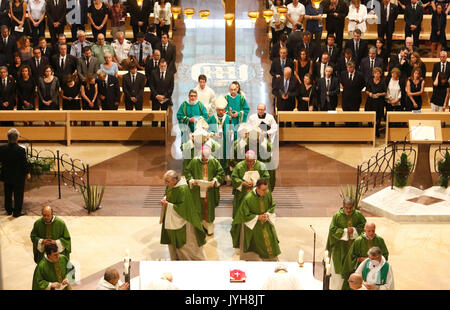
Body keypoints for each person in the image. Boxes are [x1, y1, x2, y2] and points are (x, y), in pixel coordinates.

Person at [160, 170, 207, 261]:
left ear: (174, 180)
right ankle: (176, 258)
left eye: (167, 181)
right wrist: (165, 199)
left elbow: (183, 207)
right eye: (165, 181)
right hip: (172, 218)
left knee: (187, 245)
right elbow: (168, 195)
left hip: (184, 220)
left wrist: (168, 205)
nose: (165, 183)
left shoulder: (183, 189)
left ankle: (188, 261)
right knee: (173, 241)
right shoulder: (171, 186)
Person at [231, 179, 280, 261]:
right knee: (256, 246)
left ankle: (272, 260)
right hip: (254, 225)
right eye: (263, 190)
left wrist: (267, 214)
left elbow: (272, 204)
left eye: (266, 189)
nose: (265, 192)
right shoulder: (248, 198)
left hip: (266, 222)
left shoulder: (267, 193)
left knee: (270, 241)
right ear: (257, 188)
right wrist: (257, 217)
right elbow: (244, 214)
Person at [325, 196, 366, 290]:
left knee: (352, 273)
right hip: (339, 249)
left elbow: (364, 228)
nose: (348, 210)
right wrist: (345, 231)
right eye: (346, 207)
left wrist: (354, 230)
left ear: (353, 206)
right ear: (343, 206)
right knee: (337, 276)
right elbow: (332, 230)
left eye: (350, 208)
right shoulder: (337, 216)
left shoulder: (358, 215)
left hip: (353, 249)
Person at [184, 146, 225, 236]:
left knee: (209, 209)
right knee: (198, 207)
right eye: (203, 156)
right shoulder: (194, 161)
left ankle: (209, 228)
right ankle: (199, 227)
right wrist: (191, 180)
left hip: (209, 190)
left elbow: (221, 173)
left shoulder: (214, 161)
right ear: (200, 154)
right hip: (197, 189)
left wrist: (214, 180)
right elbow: (187, 172)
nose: (205, 159)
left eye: (207, 157)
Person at [342, 222, 389, 289]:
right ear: (365, 230)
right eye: (369, 231)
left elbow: (385, 255)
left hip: (377, 270)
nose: (371, 233)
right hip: (362, 269)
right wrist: (362, 259)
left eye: (373, 230)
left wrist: (378, 260)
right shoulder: (358, 241)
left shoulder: (379, 240)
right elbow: (351, 257)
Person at [231, 150, 270, 218]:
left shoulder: (261, 165)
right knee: (242, 214)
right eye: (247, 161)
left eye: (251, 161)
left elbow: (266, 177)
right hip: (242, 194)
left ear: (255, 158)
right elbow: (234, 178)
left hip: (257, 195)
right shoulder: (239, 166)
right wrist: (242, 183)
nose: (249, 163)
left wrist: (255, 182)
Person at [0, 128, 30, 217]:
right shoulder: (21, 150)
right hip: (18, 176)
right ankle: (17, 212)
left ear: (7, 138)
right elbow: (24, 163)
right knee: (18, 194)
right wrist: (27, 173)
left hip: (6, 175)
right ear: (17, 138)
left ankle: (9, 210)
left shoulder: (2, 148)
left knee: (7, 193)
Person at [208, 97, 232, 174]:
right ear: (216, 110)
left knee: (225, 157)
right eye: (219, 110)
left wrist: (231, 131)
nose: (221, 111)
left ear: (224, 110)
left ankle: (225, 175)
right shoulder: (212, 118)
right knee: (216, 157)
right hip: (215, 140)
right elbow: (206, 128)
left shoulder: (228, 118)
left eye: (222, 110)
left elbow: (233, 127)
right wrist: (213, 134)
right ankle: (215, 174)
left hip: (225, 140)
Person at [149, 59, 174, 127]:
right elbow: (151, 85)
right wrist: (156, 95)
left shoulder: (170, 74)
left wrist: (163, 96)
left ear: (166, 66)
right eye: (162, 66)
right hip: (155, 98)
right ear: (159, 65)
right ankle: (154, 132)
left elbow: (171, 88)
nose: (163, 67)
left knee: (164, 118)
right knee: (155, 117)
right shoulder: (154, 72)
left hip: (165, 99)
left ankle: (163, 132)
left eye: (164, 66)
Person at [122, 62, 146, 126]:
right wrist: (130, 97)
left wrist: (136, 97)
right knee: (129, 116)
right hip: (128, 99)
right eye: (133, 69)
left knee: (139, 116)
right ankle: (129, 128)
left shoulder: (141, 76)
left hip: (138, 98)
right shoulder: (125, 77)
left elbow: (141, 89)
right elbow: (125, 89)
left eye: (135, 68)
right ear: (129, 69)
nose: (134, 70)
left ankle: (139, 128)